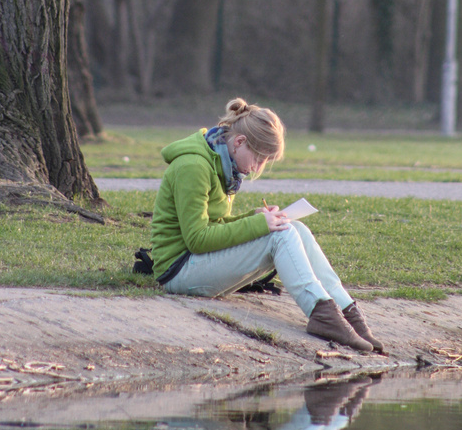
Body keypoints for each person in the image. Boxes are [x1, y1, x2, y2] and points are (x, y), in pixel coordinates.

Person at [150, 97, 385, 353]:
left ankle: (348, 313)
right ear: (239, 142)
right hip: (178, 272)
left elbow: (214, 224)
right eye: (259, 159)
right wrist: (259, 225)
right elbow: (197, 238)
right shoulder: (194, 166)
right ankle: (321, 315)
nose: (258, 168)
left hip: (197, 262)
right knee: (279, 236)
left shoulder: (223, 162)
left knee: (296, 229)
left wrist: (254, 217)